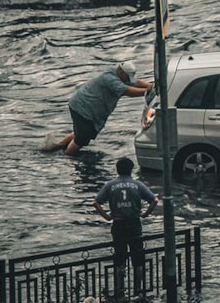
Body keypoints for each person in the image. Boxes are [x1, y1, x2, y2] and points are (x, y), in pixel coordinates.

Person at [51, 61, 152, 155]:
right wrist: (147, 92)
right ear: (121, 72)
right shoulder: (110, 79)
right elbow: (128, 91)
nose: (128, 80)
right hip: (83, 108)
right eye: (127, 77)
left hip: (82, 106)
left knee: (82, 131)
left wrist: (151, 86)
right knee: (82, 139)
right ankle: (68, 155)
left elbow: (135, 82)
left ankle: (58, 146)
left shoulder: (116, 72)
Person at [94, 157, 158, 301]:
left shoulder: (110, 185)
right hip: (134, 224)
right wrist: (145, 214)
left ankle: (120, 291)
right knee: (138, 258)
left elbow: (96, 202)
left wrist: (107, 216)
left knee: (119, 258)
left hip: (118, 224)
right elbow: (154, 200)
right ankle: (138, 290)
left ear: (117, 169)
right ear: (131, 169)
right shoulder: (137, 184)